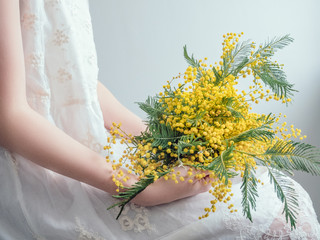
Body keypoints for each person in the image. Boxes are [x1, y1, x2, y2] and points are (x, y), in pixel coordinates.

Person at [0, 1, 319, 239]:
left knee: (282, 196)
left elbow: (72, 79)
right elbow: (8, 116)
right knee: (270, 220)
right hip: (42, 176)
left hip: (92, 153)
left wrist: (163, 144)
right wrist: (133, 185)